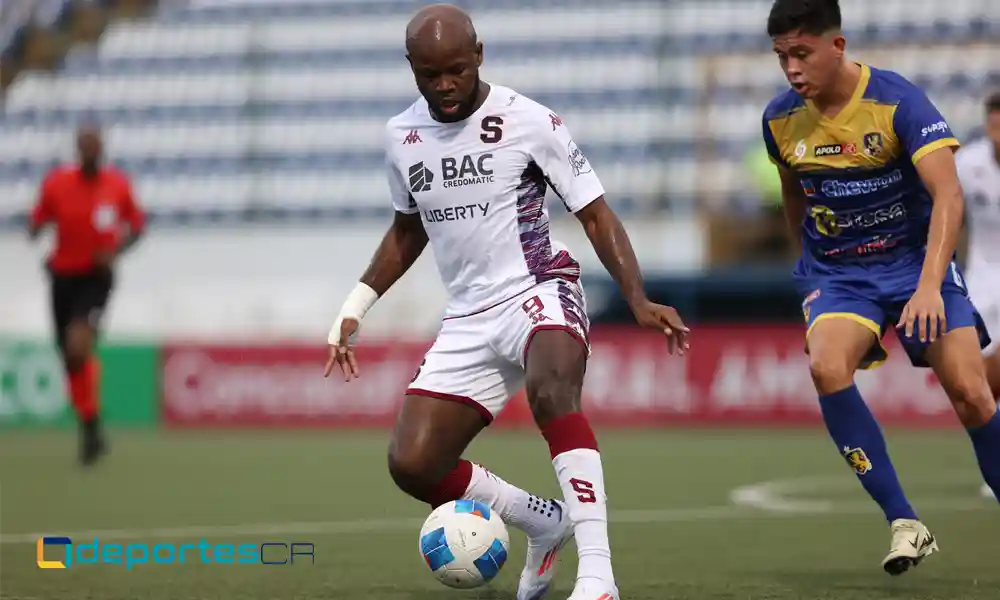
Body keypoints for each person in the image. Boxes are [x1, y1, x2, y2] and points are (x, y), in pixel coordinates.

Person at [323, 4, 689, 599]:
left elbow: (594, 213)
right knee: (413, 464)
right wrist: (354, 305)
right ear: (411, 68)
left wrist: (638, 297)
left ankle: (598, 577)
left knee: (552, 393)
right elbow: (407, 229)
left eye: (456, 70)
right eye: (430, 74)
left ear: (479, 55)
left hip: (540, 290)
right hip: (468, 316)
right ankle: (545, 522)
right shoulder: (401, 136)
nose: (445, 85)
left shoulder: (528, 120)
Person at [762, 0, 999, 576]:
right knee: (825, 367)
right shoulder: (779, 120)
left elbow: (949, 194)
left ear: (836, 46)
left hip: (918, 265)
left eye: (802, 53)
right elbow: (794, 192)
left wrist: (926, 287)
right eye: (781, 57)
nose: (792, 69)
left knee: (971, 392)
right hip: (841, 275)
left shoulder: (897, 101)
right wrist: (810, 273)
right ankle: (905, 521)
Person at [28, 123, 145, 466]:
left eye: (96, 146)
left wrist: (117, 249)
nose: (92, 152)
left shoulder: (118, 186)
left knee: (78, 344)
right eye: (86, 147)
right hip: (62, 277)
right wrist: (35, 230)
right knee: (69, 356)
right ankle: (91, 427)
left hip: (96, 278)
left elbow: (137, 227)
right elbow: (38, 220)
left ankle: (91, 427)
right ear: (79, 150)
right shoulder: (57, 184)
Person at [955, 93, 1000, 498]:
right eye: (993, 123)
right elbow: (944, 206)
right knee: (979, 380)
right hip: (982, 276)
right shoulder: (969, 163)